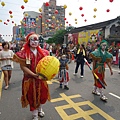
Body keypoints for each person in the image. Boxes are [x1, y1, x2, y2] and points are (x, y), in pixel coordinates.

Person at [13, 32, 50, 120]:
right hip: (29, 79)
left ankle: (40, 109)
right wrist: (33, 74)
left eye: (36, 39)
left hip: (41, 79)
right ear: (28, 41)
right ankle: (35, 115)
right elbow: (23, 67)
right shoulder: (24, 53)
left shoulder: (44, 52)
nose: (34, 42)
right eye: (32, 39)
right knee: (31, 97)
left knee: (42, 95)